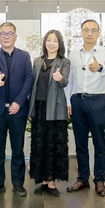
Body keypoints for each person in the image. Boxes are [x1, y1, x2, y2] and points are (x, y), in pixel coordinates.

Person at [66, 19, 105, 197]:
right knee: (80, 143)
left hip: (97, 100)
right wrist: (68, 102)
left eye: (93, 30)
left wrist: (100, 67)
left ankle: (100, 181)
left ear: (98, 33)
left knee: (99, 142)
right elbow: (69, 80)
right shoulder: (73, 54)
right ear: (81, 32)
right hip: (77, 101)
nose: (89, 33)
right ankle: (82, 178)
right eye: (86, 30)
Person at [0, 22, 34, 197]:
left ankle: (18, 184)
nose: (6, 36)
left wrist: (19, 102)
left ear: (15, 36)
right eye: (3, 34)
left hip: (18, 110)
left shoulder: (24, 56)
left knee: (17, 149)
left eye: (9, 33)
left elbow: (29, 79)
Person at [27, 30, 70, 197]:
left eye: (55, 41)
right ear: (45, 42)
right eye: (49, 40)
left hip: (56, 109)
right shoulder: (37, 61)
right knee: (40, 144)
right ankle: (43, 181)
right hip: (39, 107)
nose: (51, 43)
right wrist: (30, 108)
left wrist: (60, 79)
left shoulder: (64, 61)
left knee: (54, 145)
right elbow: (33, 85)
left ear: (60, 44)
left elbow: (65, 82)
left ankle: (52, 182)